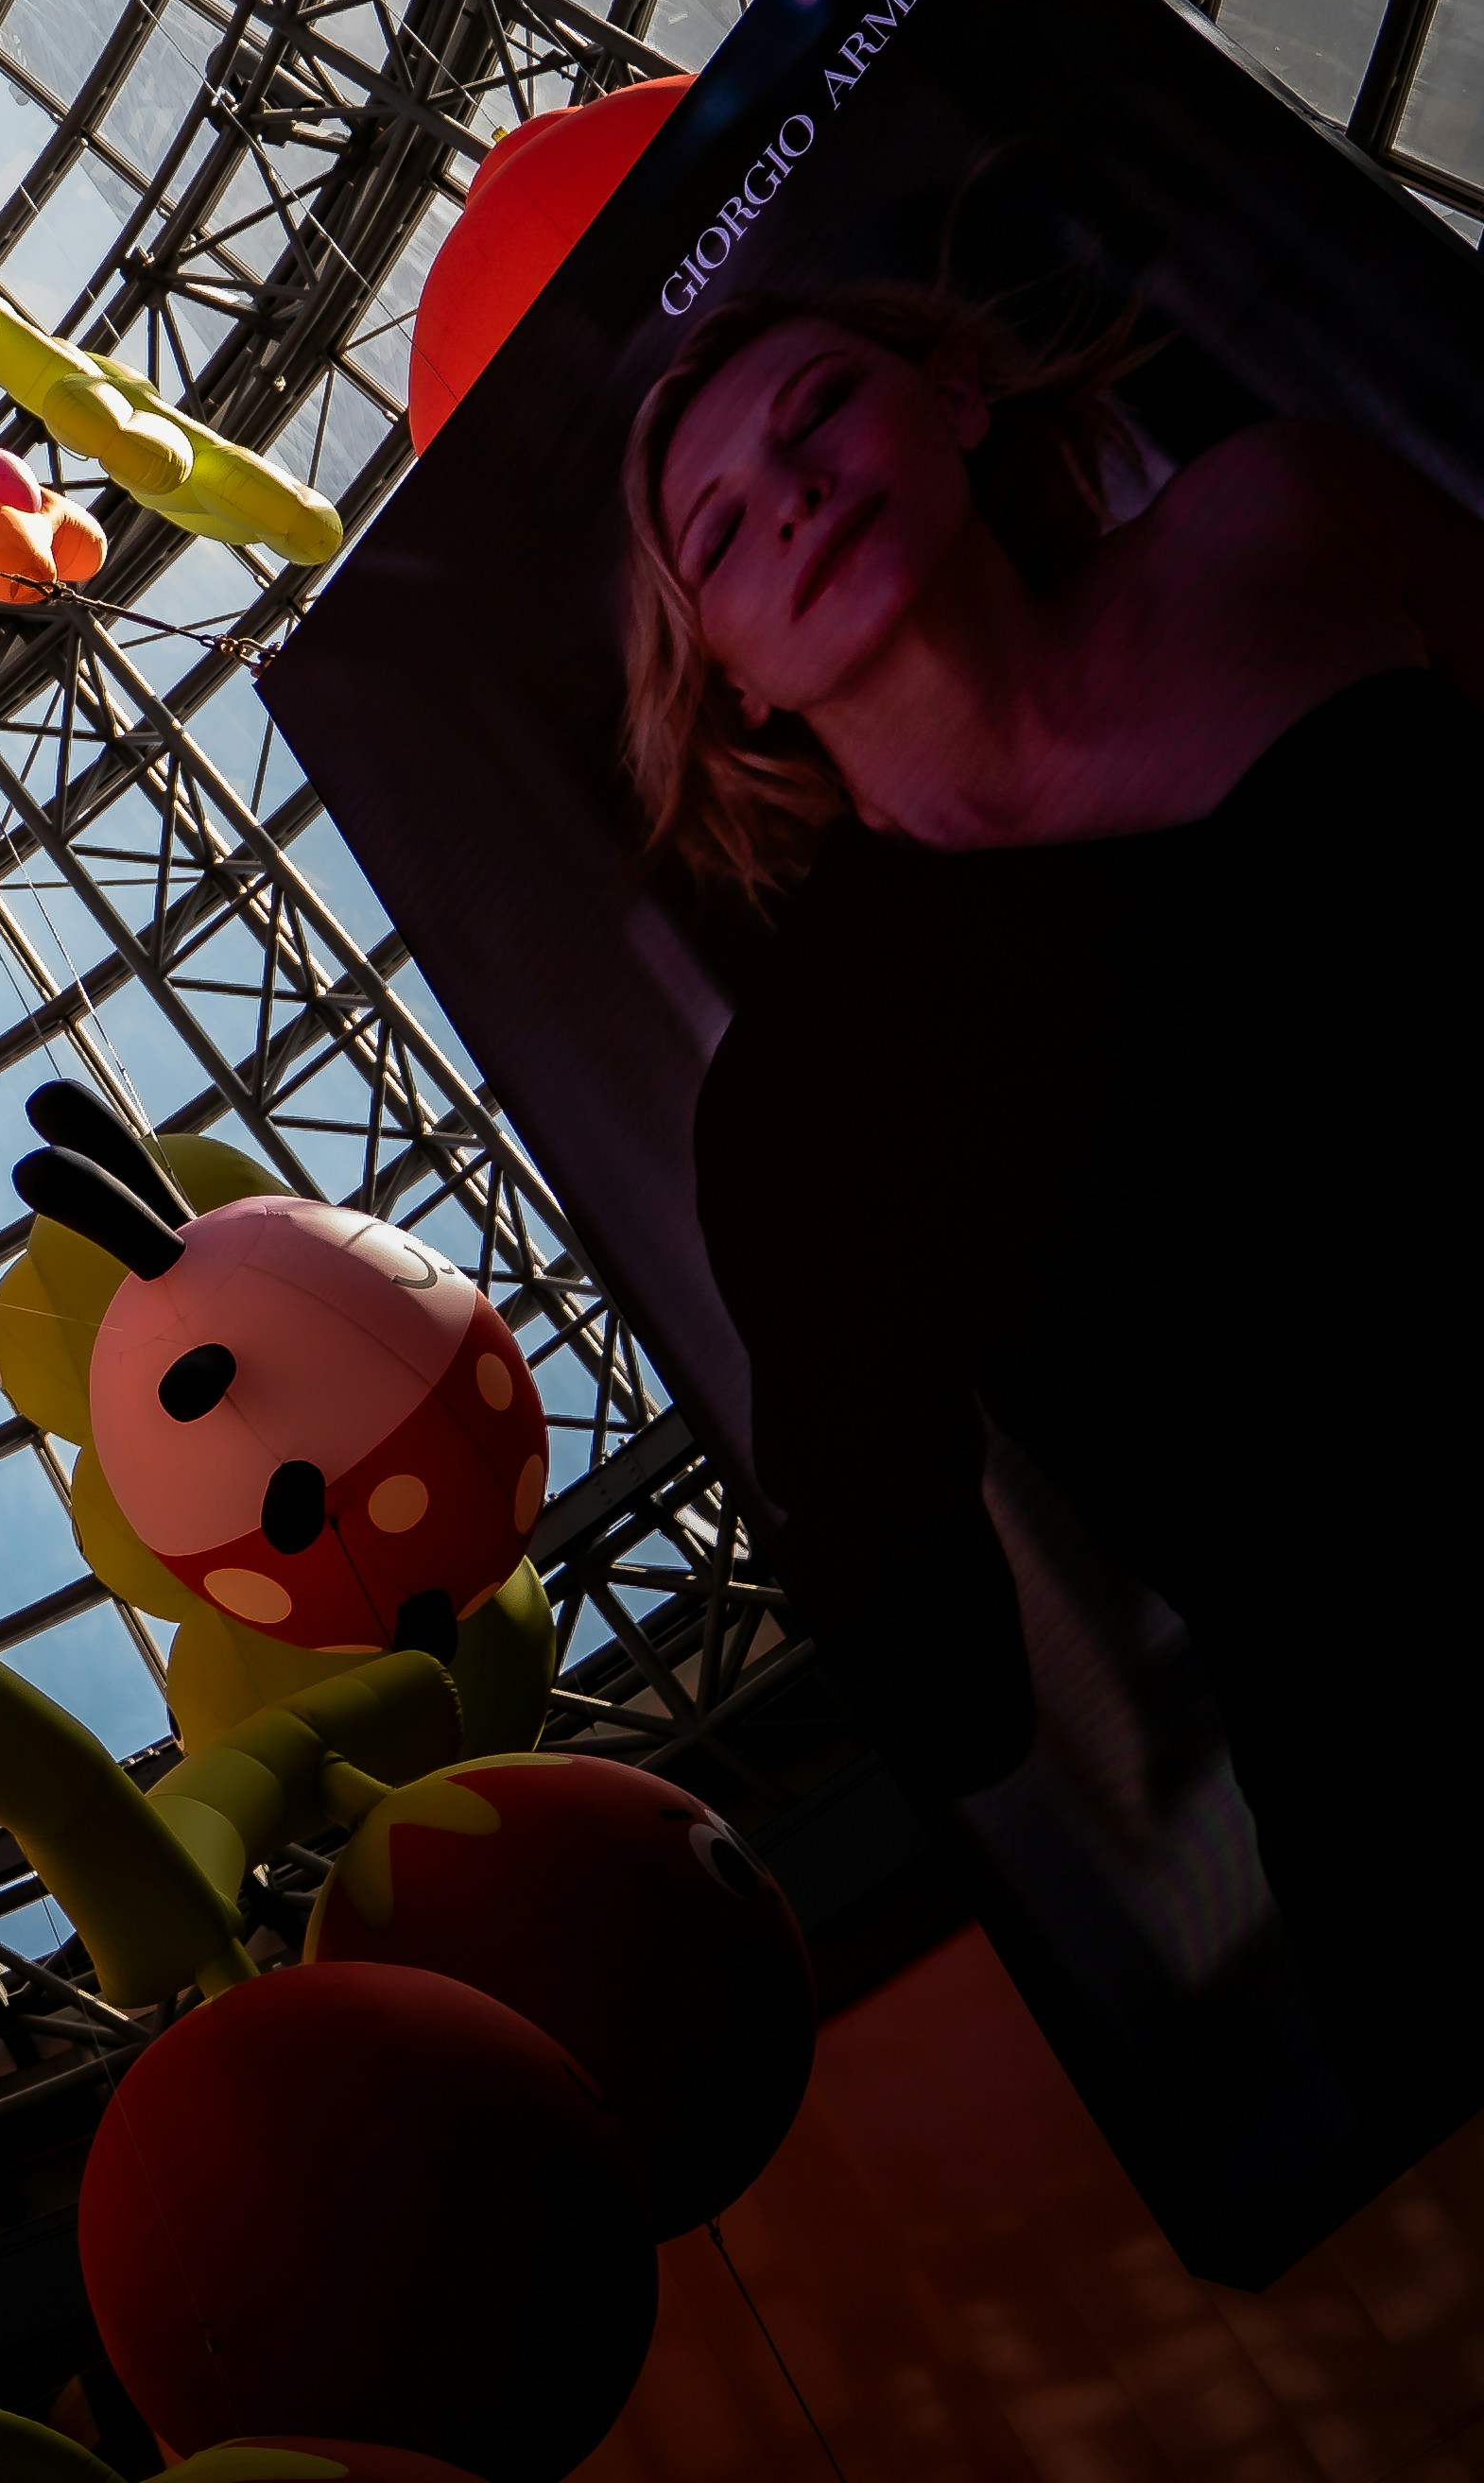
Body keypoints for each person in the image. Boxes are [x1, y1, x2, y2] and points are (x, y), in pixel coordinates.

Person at [625, 278, 1484, 2096]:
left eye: (819, 412)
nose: (786, 492)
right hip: (1427, 1770)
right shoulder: (796, 1110)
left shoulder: (1281, 510)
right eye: (716, 527)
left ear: (954, 394)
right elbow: (950, 1691)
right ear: (735, 682)